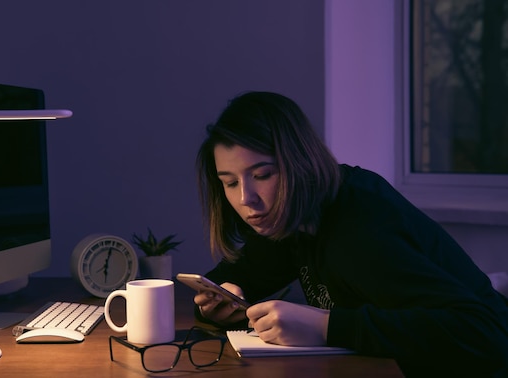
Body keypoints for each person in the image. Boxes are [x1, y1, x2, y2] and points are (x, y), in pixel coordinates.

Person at [193, 91, 508, 377]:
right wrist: (219, 301)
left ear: (298, 163)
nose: (246, 198)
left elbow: (484, 334)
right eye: (230, 182)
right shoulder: (285, 219)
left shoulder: (359, 224)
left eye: (262, 175)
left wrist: (324, 326)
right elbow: (229, 278)